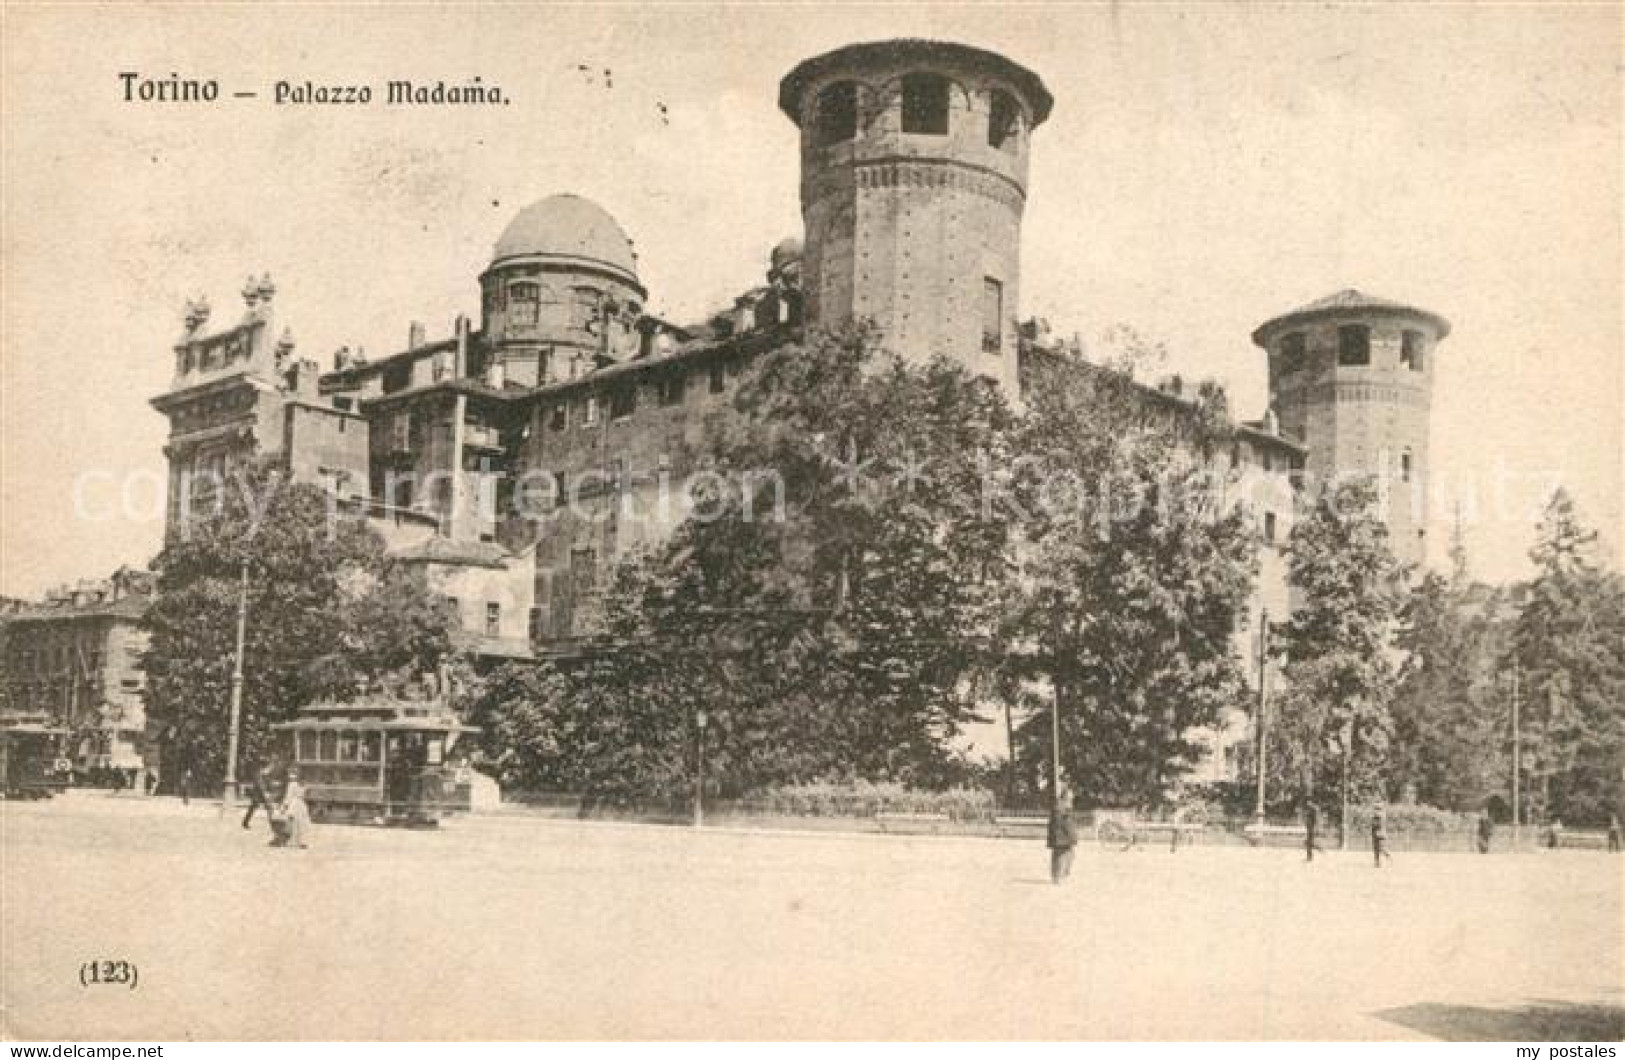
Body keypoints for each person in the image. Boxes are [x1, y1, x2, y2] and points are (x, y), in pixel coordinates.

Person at [278, 768, 311, 850]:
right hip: (300, 805)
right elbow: (305, 795)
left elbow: (288, 797)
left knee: (293, 823)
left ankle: (290, 841)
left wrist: (284, 807)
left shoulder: (292, 784)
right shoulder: (303, 785)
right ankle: (300, 842)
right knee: (300, 824)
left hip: (295, 804)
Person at [1047, 805, 1077, 884]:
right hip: (1063, 838)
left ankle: (1057, 876)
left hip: (1059, 837)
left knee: (1060, 856)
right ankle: (1059, 876)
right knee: (1063, 856)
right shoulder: (1063, 810)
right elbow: (1067, 825)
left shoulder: (1059, 809)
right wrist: (1073, 837)